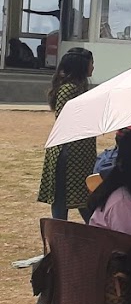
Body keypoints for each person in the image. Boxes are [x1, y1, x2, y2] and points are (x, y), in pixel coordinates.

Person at [38, 50, 97, 221]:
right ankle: (59, 232)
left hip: (79, 152)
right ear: (81, 66)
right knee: (62, 198)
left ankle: (96, 228)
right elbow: (65, 120)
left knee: (83, 196)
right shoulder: (69, 89)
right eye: (91, 63)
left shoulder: (79, 87)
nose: (93, 67)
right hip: (68, 151)